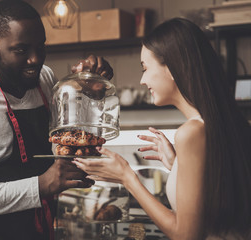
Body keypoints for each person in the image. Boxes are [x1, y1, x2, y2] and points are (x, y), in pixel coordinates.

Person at [0, 1, 113, 239]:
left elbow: (64, 142)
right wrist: (41, 185)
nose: (35, 59)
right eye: (21, 50)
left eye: (40, 47)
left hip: (36, 229)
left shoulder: (44, 78)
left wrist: (88, 92)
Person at [74, 18, 251, 240]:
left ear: (174, 68)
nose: (142, 80)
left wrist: (127, 177)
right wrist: (177, 164)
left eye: (145, 68)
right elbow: (219, 194)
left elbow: (185, 235)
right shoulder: (221, 124)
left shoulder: (190, 132)